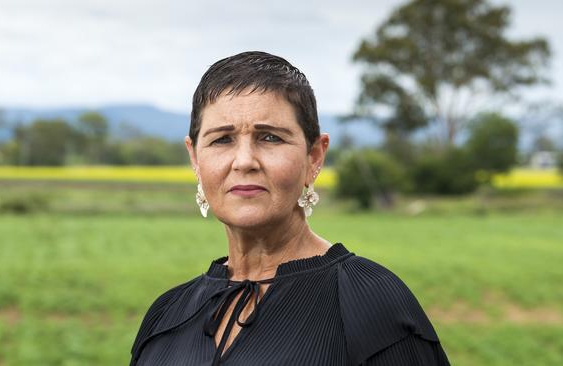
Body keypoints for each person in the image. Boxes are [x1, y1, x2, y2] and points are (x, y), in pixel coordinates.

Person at [128, 51, 450, 366]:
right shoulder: (166, 316)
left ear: (314, 157)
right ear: (195, 159)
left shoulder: (371, 303)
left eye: (269, 137)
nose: (244, 161)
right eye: (222, 140)